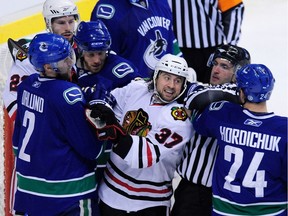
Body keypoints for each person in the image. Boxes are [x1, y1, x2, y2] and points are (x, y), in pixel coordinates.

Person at [85, 54, 193, 216]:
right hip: (110, 193)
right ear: (156, 77)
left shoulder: (180, 118)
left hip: (150, 203)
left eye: (178, 81)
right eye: (167, 77)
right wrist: (101, 105)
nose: (171, 85)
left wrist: (115, 133)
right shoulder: (137, 89)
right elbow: (108, 102)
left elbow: (141, 156)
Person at [12, 33, 104, 215]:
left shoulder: (26, 85)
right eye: (63, 60)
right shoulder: (67, 94)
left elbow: (17, 143)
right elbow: (91, 150)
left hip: (29, 190)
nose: (70, 62)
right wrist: (99, 116)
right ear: (48, 67)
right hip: (67, 192)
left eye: (69, 55)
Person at [189, 64, 287, 216]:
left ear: (241, 92)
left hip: (225, 211)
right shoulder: (283, 129)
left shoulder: (225, 114)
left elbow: (194, 114)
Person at [171, 44, 251, 216]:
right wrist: (235, 93)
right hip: (190, 191)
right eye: (215, 63)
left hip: (223, 195)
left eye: (224, 66)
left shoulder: (246, 102)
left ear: (238, 73)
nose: (216, 70)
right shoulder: (198, 88)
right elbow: (196, 97)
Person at [3, 0, 80, 118]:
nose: (68, 28)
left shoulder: (82, 46)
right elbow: (14, 103)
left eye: (71, 21)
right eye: (61, 23)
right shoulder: (35, 54)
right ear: (48, 23)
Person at [90, 0, 182, 78]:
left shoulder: (161, 2)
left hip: (167, 88)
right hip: (131, 92)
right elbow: (104, 61)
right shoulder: (106, 11)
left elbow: (170, 40)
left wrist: (182, 68)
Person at [168, 0, 245, 83]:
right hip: (175, 50)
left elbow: (233, 8)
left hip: (212, 52)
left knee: (215, 93)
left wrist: (231, 46)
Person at [74, 20, 140, 90]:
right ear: (80, 51)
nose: (97, 60)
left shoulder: (119, 68)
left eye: (100, 53)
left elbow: (141, 88)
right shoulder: (68, 63)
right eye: (91, 55)